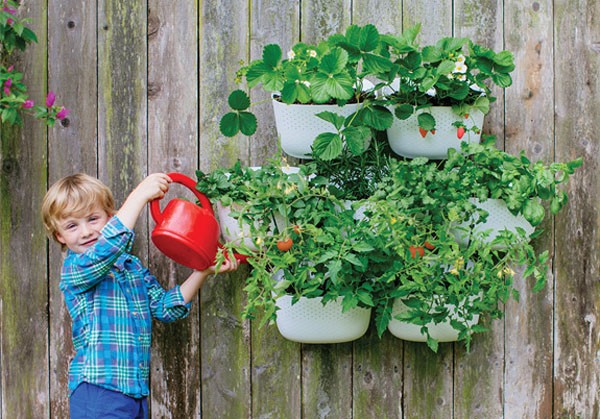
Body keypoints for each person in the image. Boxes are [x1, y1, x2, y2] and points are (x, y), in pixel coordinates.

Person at [42, 173, 238, 418]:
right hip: (97, 390)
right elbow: (107, 248)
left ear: (110, 217)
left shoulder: (131, 267)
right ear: (60, 236)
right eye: (72, 225)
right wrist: (139, 196)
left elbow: (165, 308)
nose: (85, 232)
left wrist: (203, 271)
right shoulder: (75, 269)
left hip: (134, 393)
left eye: (93, 219)